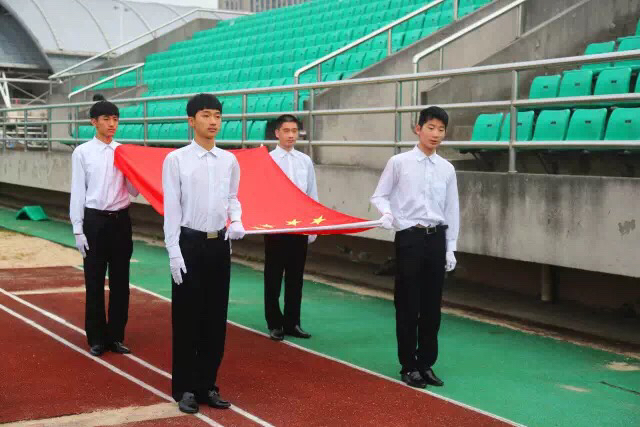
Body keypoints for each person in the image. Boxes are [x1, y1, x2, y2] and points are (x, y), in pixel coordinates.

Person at [162, 93, 246, 414]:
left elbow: (233, 197)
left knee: (215, 318)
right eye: (206, 115)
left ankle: (206, 384)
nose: (213, 122)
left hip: (218, 245)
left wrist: (236, 220)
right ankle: (184, 387)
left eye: (218, 116)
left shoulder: (229, 161)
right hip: (189, 243)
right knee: (187, 318)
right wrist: (173, 251)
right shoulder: (176, 160)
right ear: (191, 120)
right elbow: (172, 208)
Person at [370, 106, 459, 389]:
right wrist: (388, 214)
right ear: (418, 129)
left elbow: (452, 209)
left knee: (432, 306)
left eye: (441, 129)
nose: (436, 134)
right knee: (408, 303)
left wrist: (451, 247)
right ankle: (408, 365)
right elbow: (380, 195)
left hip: (436, 238)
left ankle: (426, 363)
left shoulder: (447, 169)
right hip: (410, 237)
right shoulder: (399, 162)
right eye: (430, 128)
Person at [69, 100, 139, 357]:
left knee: (121, 281)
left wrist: (134, 171)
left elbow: (133, 190)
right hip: (95, 221)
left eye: (116, 119)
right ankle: (97, 338)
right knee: (95, 281)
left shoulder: (123, 151)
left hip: (121, 221)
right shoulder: (83, 153)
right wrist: (78, 229)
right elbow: (78, 191)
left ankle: (116, 336)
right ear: (94, 122)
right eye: (107, 119)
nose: (112, 124)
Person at [264, 114, 318, 341]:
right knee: (274, 276)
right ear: (277, 133)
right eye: (286, 131)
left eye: (294, 131)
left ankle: (292, 322)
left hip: (299, 226)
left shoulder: (305, 161)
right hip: (276, 227)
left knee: (296, 277)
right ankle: (274, 322)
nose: (290, 135)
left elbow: (311, 193)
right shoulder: (268, 160)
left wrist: (313, 226)